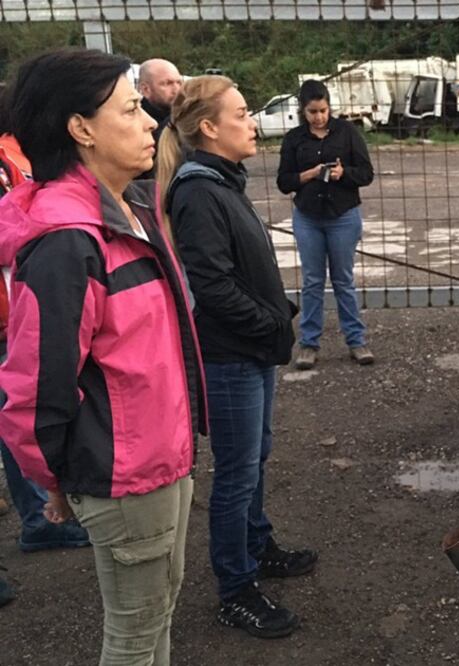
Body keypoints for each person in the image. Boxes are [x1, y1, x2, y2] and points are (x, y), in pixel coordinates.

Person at [0, 48, 207, 662]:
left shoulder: (129, 210)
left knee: (159, 615)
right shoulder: (69, 243)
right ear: (81, 128)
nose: (150, 122)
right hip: (123, 474)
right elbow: (33, 389)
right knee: (136, 638)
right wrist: (57, 479)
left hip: (165, 456)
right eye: (131, 109)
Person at [158, 75, 316, 639]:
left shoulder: (221, 181)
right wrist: (271, 321)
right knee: (235, 472)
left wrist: (275, 314)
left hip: (251, 350)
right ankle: (236, 587)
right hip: (230, 357)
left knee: (256, 456)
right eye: (243, 113)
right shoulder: (199, 190)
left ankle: (257, 544)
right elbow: (213, 286)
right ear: (209, 127)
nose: (253, 122)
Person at [0, 118, 89, 610]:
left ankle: (38, 517)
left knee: (17, 418)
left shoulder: (15, 147)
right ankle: (38, 516)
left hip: (11, 315)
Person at [277, 79, 375, 370]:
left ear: (330, 106)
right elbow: (284, 182)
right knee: (312, 281)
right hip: (308, 217)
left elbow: (366, 174)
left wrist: (344, 173)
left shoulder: (347, 133)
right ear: (302, 110)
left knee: (343, 279)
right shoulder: (293, 139)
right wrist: (308, 174)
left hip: (343, 215)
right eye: (312, 112)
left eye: (322, 110)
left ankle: (356, 340)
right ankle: (309, 343)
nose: (318, 117)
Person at [136, 59, 183, 179]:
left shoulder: (186, 117)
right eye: (167, 83)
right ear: (145, 89)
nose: (176, 89)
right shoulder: (134, 121)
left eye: (179, 83)